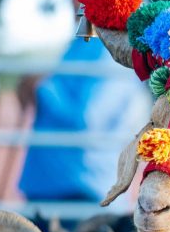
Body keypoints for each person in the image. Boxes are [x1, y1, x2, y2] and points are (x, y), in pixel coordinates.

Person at [18, 31, 151, 202]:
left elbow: (89, 117)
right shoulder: (86, 40)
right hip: (54, 185)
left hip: (81, 189)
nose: (72, 3)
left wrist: (41, 86)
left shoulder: (109, 48)